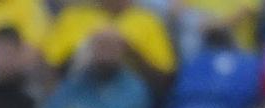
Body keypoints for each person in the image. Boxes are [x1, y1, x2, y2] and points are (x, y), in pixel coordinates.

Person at [42, 0, 177, 83]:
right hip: (75, 103)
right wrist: (89, 49)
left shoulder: (148, 21)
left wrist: (128, 50)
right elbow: (48, 71)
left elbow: (165, 82)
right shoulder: (73, 17)